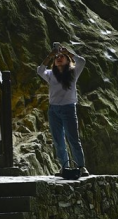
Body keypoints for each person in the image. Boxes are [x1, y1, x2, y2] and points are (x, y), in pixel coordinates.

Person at [37, 42, 90, 177]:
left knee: (73, 138)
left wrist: (67, 52)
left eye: (62, 57)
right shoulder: (50, 74)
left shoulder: (73, 73)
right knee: (58, 140)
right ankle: (64, 167)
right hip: (53, 110)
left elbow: (82, 61)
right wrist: (50, 56)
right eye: (57, 57)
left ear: (67, 60)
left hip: (68, 109)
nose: (59, 58)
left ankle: (81, 167)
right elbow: (39, 70)